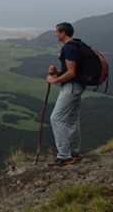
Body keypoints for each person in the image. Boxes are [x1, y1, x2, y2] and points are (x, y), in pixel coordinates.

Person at [46, 22, 85, 166]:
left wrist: (54, 79)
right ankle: (74, 153)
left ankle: (64, 156)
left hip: (71, 87)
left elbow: (72, 72)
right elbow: (72, 70)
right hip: (77, 85)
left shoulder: (68, 48)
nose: (56, 34)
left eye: (57, 32)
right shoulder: (75, 45)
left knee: (56, 118)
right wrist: (57, 72)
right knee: (72, 120)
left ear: (63, 33)